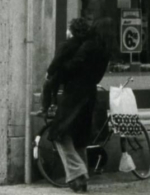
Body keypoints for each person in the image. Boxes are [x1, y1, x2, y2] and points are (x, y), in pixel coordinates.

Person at [41, 17, 111, 193]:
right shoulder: (104, 51)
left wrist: (57, 73)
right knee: (79, 138)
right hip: (90, 95)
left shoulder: (85, 46)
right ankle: (81, 181)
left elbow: (73, 65)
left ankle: (77, 173)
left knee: (59, 133)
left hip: (74, 94)